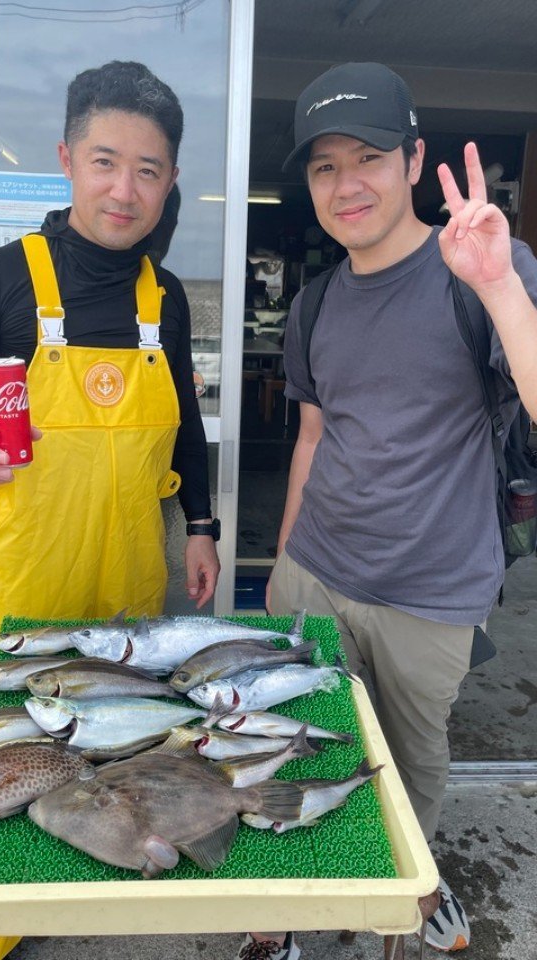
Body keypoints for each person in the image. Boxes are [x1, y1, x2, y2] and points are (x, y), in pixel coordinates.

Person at [240, 62, 537, 960]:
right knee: (297, 747)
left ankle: (412, 883)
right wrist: (288, 563)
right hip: (316, 573)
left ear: (413, 161)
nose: (346, 183)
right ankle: (281, 916)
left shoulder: (484, 268)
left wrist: (495, 282)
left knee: (412, 759)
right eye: (325, 167)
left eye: (368, 155)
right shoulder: (316, 302)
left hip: (432, 591)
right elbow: (313, 437)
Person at [0, 60, 219, 678]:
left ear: (171, 181)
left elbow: (184, 424)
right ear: (68, 160)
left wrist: (201, 527)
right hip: (24, 583)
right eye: (104, 162)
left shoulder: (166, 298)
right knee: (11, 756)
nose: (123, 191)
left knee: (119, 750)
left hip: (129, 585)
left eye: (147, 170)